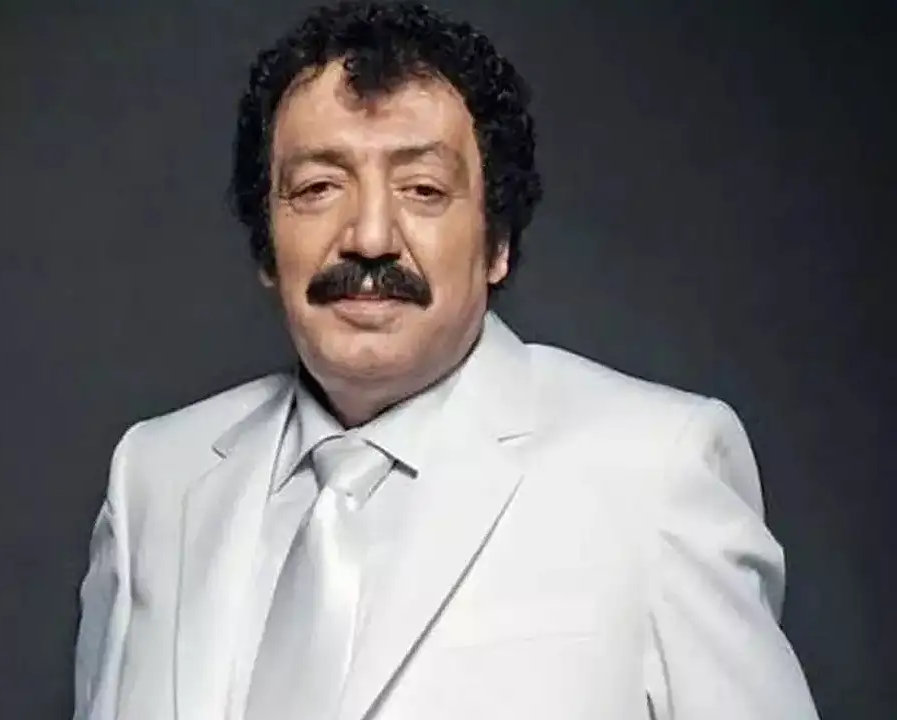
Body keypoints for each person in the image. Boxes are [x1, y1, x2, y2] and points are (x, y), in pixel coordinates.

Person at [71, 2, 820, 718]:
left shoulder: (656, 472)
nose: (369, 237)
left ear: (498, 243)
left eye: (423, 189)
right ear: (267, 243)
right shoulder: (155, 481)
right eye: (319, 187)